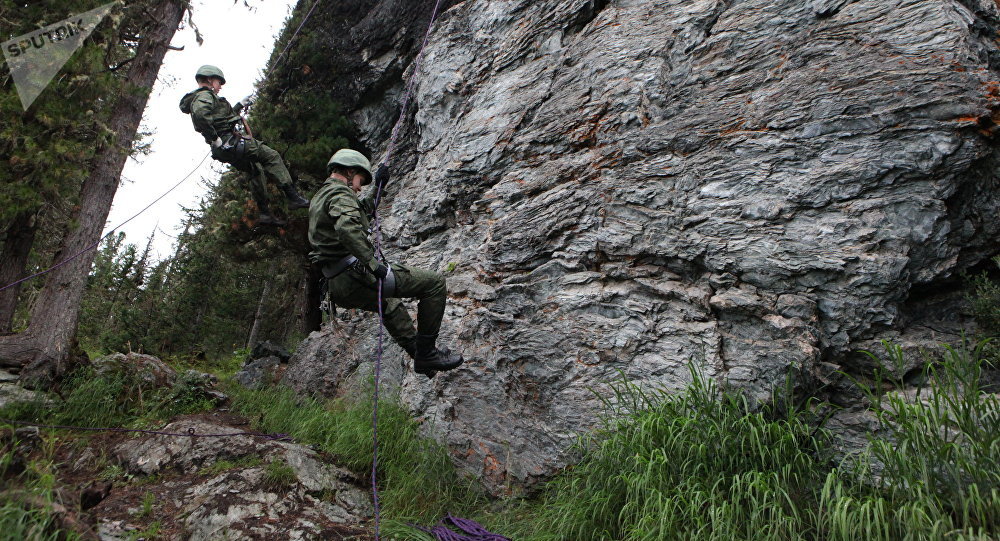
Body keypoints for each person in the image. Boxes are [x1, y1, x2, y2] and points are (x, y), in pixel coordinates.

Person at [309, 149, 463, 377]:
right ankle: (427, 353)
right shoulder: (340, 194)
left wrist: (377, 189)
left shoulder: (322, 196)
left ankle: (420, 357)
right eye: (360, 180)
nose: (359, 188)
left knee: (390, 305)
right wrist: (373, 264)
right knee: (435, 284)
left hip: (337, 284)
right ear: (350, 172)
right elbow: (347, 227)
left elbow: (358, 214)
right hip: (354, 275)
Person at [179, 64, 309, 225]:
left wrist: (240, 105)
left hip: (225, 147)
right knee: (271, 156)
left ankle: (265, 213)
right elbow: (200, 116)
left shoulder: (205, 97)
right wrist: (215, 138)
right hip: (229, 142)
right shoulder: (205, 96)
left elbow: (221, 119)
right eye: (219, 83)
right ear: (209, 80)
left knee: (255, 170)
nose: (220, 87)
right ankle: (293, 197)